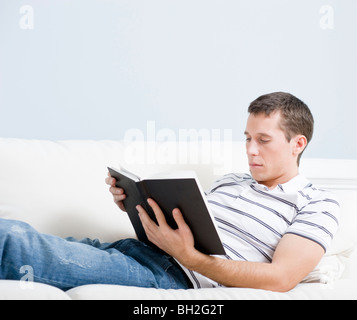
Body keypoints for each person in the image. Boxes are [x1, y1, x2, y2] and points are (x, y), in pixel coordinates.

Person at [0, 92, 340, 292]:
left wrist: (191, 258)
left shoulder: (317, 204)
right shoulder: (231, 181)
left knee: (15, 243)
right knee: (27, 238)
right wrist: (135, 204)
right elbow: (186, 226)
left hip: (170, 275)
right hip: (134, 250)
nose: (251, 150)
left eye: (263, 140)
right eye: (247, 138)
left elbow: (281, 278)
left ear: (298, 144)